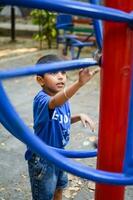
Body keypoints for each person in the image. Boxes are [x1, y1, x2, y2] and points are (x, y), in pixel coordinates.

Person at [25, 54, 99, 200]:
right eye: (54, 73)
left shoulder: (62, 98)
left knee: (60, 188)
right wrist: (79, 83)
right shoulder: (42, 100)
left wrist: (78, 116)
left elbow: (60, 120)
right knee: (44, 196)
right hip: (43, 158)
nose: (61, 77)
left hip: (59, 154)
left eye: (63, 72)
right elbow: (54, 103)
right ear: (40, 80)